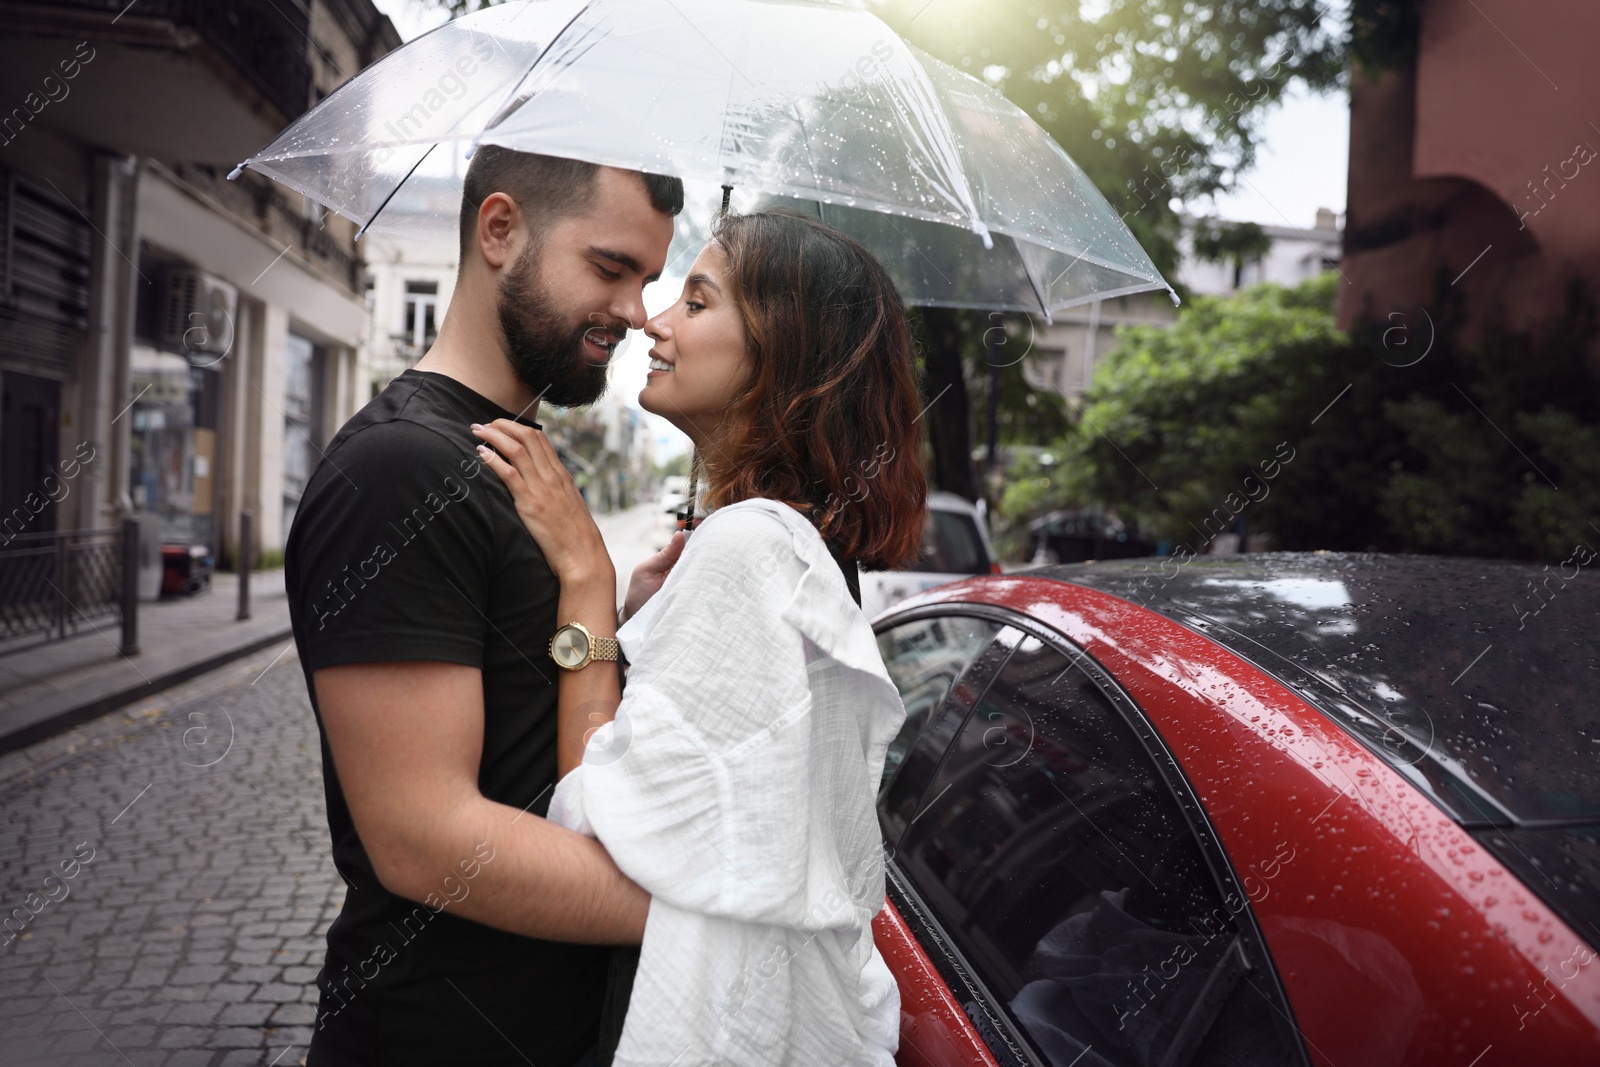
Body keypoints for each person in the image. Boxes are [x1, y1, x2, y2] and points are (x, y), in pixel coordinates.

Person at [470, 209, 929, 1065]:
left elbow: (597, 813)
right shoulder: (795, 541)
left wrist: (587, 584)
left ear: (778, 350)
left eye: (697, 301)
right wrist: (650, 615)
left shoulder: (753, 544)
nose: (653, 319)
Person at [285, 146, 686, 1066]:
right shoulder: (398, 471)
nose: (635, 312)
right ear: (500, 230)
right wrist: (708, 902)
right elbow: (427, 839)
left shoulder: (515, 457)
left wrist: (613, 614)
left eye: (651, 279)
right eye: (610, 268)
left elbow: (542, 741)